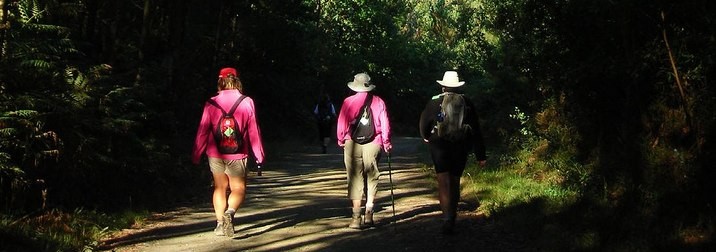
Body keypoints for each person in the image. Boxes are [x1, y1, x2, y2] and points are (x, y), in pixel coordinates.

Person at [192, 67, 265, 238]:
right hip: (238, 153)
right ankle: (230, 213)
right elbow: (254, 131)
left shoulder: (211, 103)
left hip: (215, 152)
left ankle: (219, 224)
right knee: (238, 188)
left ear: (220, 81)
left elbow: (203, 130)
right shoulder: (247, 102)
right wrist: (259, 156)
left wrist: (196, 153)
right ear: (237, 80)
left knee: (219, 187)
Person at [419, 71, 486, 235]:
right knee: (455, 181)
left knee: (443, 181)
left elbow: (424, 123)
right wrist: (480, 155)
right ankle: (453, 215)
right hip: (461, 145)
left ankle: (446, 218)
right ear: (458, 86)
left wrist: (426, 137)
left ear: (443, 86)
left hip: (439, 145)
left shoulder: (434, 101)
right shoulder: (467, 102)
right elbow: (476, 129)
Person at [336, 72, 393, 229]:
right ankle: (369, 213)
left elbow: (342, 124)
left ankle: (356, 218)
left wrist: (341, 139)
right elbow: (385, 124)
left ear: (355, 85)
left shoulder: (348, 102)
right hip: (374, 142)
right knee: (372, 176)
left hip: (352, 142)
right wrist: (386, 142)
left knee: (355, 177)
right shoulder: (379, 102)